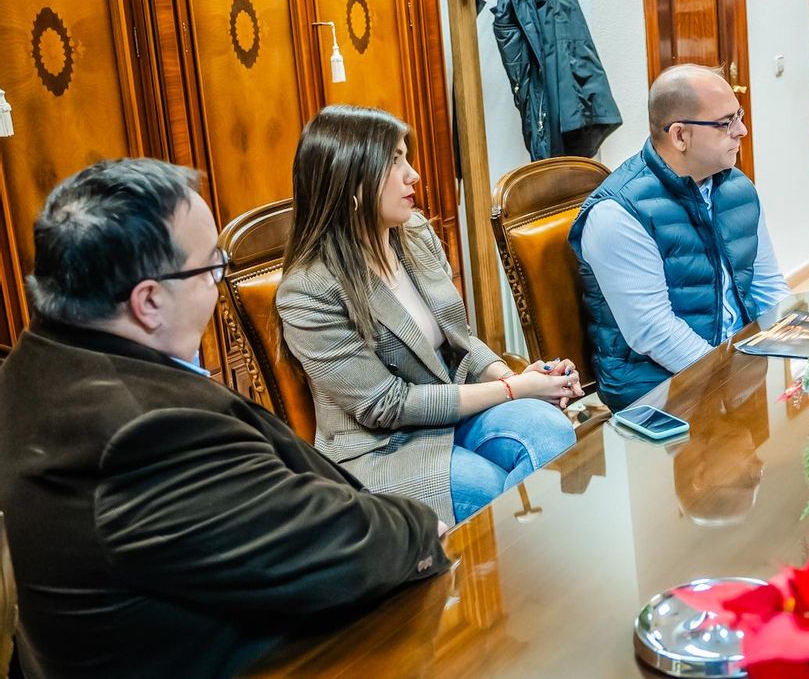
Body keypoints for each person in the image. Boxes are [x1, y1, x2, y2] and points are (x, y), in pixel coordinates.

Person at [0, 159, 447, 677]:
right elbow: (325, 546)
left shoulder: (36, 363)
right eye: (210, 268)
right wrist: (420, 529)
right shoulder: (142, 432)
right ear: (148, 301)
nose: (218, 284)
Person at [277, 106, 577, 525]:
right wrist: (514, 391)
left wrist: (517, 379)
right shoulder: (308, 290)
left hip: (455, 410)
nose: (413, 175)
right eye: (395, 162)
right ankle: (515, 583)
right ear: (350, 180)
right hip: (381, 447)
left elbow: (460, 339)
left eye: (407, 158)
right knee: (490, 489)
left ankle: (529, 577)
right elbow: (387, 406)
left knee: (553, 434)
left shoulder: (414, 232)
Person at [570, 64, 789, 411]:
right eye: (726, 123)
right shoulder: (618, 214)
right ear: (679, 136)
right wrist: (734, 377)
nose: (742, 130)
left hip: (735, 367)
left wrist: (793, 354)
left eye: (740, 116)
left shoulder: (736, 188)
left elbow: (768, 288)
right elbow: (655, 333)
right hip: (659, 385)